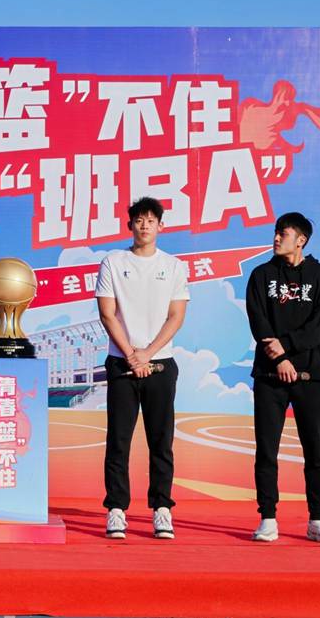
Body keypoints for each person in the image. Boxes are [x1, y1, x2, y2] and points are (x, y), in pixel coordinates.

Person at [95, 197, 189, 539]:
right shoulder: (113, 262)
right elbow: (107, 314)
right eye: (139, 220)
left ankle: (162, 509)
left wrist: (147, 353)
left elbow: (176, 316)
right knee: (118, 439)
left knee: (161, 440)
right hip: (122, 363)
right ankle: (116, 510)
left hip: (160, 363)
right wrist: (132, 355)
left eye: (151, 220)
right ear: (130, 225)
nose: (145, 225)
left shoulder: (173, 266)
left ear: (161, 226)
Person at [245, 212, 320, 543]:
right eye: (275, 232)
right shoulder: (261, 275)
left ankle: (317, 520)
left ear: (301, 240)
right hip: (269, 377)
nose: (275, 238)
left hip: (310, 378)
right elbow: (258, 321)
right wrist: (281, 359)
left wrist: (287, 348)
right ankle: (268, 518)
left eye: (282, 233)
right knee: (266, 450)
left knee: (315, 451)